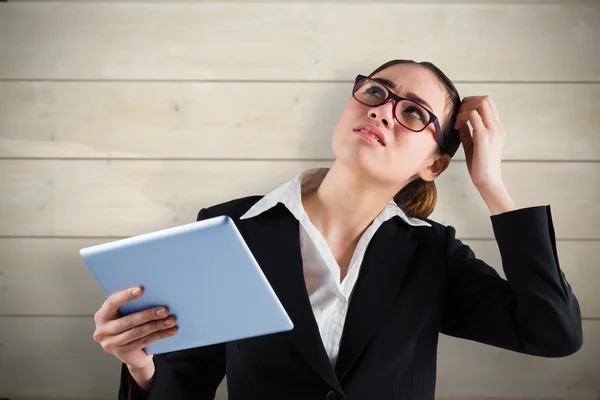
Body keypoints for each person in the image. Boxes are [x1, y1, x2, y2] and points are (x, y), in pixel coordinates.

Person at [92, 59, 583, 400]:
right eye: (376, 91)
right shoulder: (231, 232)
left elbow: (552, 333)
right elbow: (186, 388)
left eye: (413, 112)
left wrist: (492, 185)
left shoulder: (433, 253)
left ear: (434, 165)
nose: (383, 109)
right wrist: (139, 364)